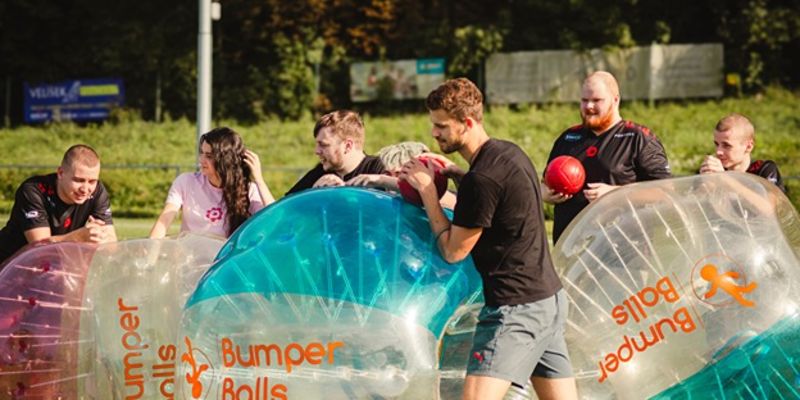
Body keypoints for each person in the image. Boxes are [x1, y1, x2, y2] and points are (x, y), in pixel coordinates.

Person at [401, 78, 577, 400]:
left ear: (467, 123)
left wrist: (428, 193)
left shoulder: (481, 180)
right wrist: (456, 173)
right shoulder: (508, 153)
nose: (434, 133)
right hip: (549, 299)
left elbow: (453, 251)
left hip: (515, 309)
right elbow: (493, 195)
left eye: (441, 126)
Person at [544, 71, 672, 243]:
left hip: (625, 253)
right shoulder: (568, 138)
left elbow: (666, 191)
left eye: (597, 100)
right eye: (584, 100)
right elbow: (544, 184)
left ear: (615, 99)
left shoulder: (638, 138)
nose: (588, 106)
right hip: (571, 252)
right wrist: (545, 194)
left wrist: (615, 194)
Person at [149, 127, 275, 239]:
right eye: (202, 153)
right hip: (190, 262)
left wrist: (259, 180)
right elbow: (164, 220)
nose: (202, 160)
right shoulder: (186, 182)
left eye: (209, 156)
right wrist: (150, 254)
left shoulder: (249, 190)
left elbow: (276, 221)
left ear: (226, 160)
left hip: (224, 264)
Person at [0, 144, 116, 265]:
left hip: (51, 267)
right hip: (8, 266)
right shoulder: (34, 190)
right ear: (60, 173)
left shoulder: (98, 192)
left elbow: (112, 247)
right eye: (78, 180)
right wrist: (79, 237)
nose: (85, 189)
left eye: (92, 181)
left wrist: (99, 237)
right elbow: (40, 249)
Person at [285, 110, 385, 195]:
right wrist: (313, 193)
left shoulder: (379, 170)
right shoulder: (320, 174)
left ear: (347, 146)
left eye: (323, 145)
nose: (317, 151)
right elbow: (282, 210)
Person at [347, 141, 458, 209]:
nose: (394, 180)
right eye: (388, 174)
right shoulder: (387, 202)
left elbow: (448, 201)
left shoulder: (442, 197)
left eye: (402, 173)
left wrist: (382, 180)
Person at [699, 113, 786, 193]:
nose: (718, 152)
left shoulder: (763, 170)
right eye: (717, 144)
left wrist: (725, 179)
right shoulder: (715, 173)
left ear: (748, 147)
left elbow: (769, 207)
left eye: (727, 146)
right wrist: (705, 189)